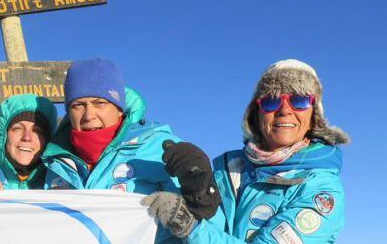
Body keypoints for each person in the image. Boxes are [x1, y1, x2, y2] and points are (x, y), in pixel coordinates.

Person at [144, 59, 349, 243]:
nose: (285, 110)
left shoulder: (321, 189)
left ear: (314, 115)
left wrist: (189, 226)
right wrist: (194, 195)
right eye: (271, 101)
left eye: (299, 100)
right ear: (256, 115)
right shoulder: (226, 168)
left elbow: (195, 230)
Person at [41, 58, 198, 243]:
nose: (89, 115)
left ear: (119, 110)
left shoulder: (160, 149)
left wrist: (189, 224)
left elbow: (210, 223)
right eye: (78, 105)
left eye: (100, 103)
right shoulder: (53, 161)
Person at [0, 94, 58, 190]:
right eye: (17, 128)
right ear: (3, 136)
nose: (27, 137)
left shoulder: (61, 179)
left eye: (37, 131)